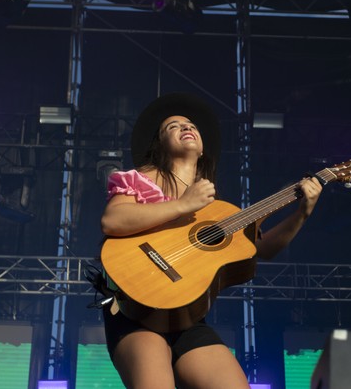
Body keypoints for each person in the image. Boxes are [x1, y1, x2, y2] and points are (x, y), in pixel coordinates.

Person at [99, 92, 323, 389]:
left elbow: (262, 249)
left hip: (185, 315)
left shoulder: (215, 208)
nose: (185, 127)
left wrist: (302, 214)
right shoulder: (142, 178)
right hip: (135, 307)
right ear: (159, 145)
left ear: (203, 149)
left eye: (190, 124)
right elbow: (112, 221)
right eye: (172, 126)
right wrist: (182, 205)